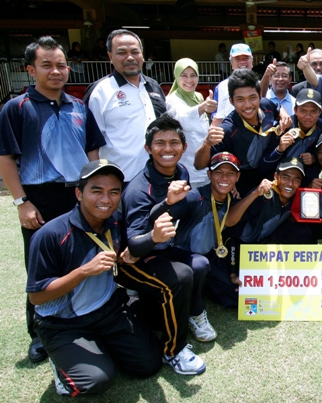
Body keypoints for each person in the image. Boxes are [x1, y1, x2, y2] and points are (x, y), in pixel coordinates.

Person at [0, 36, 104, 364]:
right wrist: (22, 203)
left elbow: (92, 153)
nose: (55, 71)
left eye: (60, 65)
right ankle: (40, 333)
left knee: (84, 259)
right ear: (30, 69)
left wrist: (95, 192)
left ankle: (84, 319)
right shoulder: (15, 109)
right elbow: (5, 159)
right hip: (39, 197)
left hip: (77, 193)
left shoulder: (79, 107)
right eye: (47, 65)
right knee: (41, 268)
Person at [27, 160, 162, 396]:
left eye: (114, 192)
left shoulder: (116, 222)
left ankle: (95, 348)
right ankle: (62, 362)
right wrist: (83, 271)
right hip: (63, 323)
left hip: (107, 311)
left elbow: (120, 254)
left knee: (148, 364)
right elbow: (37, 297)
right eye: (96, 191)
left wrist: (124, 257)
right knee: (96, 381)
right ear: (79, 193)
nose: (106, 200)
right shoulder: (50, 235)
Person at [120, 114, 210, 376]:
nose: (168, 149)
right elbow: (133, 246)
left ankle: (193, 313)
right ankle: (174, 350)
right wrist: (164, 212)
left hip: (161, 249)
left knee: (201, 264)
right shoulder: (138, 189)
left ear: (183, 147)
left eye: (174, 142)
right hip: (131, 260)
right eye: (160, 143)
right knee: (180, 276)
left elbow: (181, 206)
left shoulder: (181, 171)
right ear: (148, 148)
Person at [152, 152, 243, 308]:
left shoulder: (233, 201)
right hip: (184, 255)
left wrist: (233, 271)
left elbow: (232, 237)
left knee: (238, 297)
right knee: (200, 265)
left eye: (230, 174)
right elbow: (159, 217)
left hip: (212, 255)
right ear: (209, 174)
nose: (224, 178)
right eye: (218, 173)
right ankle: (196, 309)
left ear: (237, 177)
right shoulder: (195, 197)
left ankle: (204, 286)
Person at [84, 29, 166, 182]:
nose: (130, 57)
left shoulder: (153, 86)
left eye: (135, 52)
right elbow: (91, 142)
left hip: (157, 177)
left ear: (142, 54)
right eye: (122, 52)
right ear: (110, 56)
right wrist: (98, 179)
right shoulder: (101, 91)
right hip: (120, 180)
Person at [194, 69, 291, 197]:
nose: (247, 105)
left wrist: (283, 114)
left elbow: (277, 109)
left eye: (252, 98)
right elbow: (199, 165)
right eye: (240, 99)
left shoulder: (266, 106)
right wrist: (206, 144)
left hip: (270, 171)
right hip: (243, 185)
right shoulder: (228, 129)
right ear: (231, 101)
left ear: (260, 95)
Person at [227, 157, 313, 244]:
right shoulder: (263, 193)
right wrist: (255, 193)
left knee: (304, 232)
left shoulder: (295, 196)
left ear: (300, 182)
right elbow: (228, 221)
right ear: (276, 176)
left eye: (296, 179)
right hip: (244, 241)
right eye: (285, 177)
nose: (290, 183)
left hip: (265, 239)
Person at [166, 58, 217, 188]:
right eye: (184, 76)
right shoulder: (171, 99)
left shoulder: (198, 97)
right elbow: (181, 117)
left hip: (204, 160)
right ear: (177, 77)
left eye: (193, 75)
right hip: (186, 162)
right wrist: (202, 108)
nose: (189, 80)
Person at [261, 88, 322, 178]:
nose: (308, 116)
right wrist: (279, 149)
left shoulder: (321, 126)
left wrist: (313, 157)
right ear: (295, 110)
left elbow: (320, 151)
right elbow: (263, 167)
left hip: (303, 176)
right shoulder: (283, 127)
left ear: (320, 112)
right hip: (279, 178)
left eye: (313, 111)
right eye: (303, 111)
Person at [212, 43, 254, 126]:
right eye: (237, 59)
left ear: (252, 61)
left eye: (246, 58)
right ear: (231, 63)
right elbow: (217, 117)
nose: (242, 62)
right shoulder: (221, 87)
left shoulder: (261, 85)